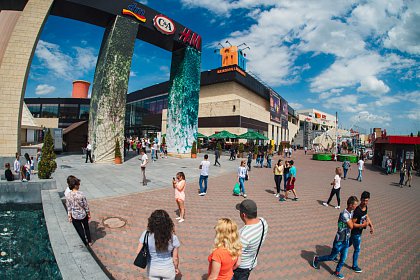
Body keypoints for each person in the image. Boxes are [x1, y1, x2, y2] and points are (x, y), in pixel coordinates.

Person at [313, 196, 367, 279]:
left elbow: (354, 220)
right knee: (331, 257)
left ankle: (337, 271)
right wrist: (362, 224)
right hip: (339, 241)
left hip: (346, 240)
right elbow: (351, 226)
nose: (356, 206)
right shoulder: (344, 214)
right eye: (355, 205)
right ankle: (317, 259)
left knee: (343, 258)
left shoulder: (351, 213)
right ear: (350, 205)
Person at [136, 210, 180, 280]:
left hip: (152, 269)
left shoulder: (146, 234)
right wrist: (176, 268)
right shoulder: (173, 237)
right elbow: (175, 258)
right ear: (168, 223)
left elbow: (138, 252)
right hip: (168, 269)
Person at [233, 200, 268, 280]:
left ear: (243, 215)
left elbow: (237, 260)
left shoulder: (242, 235)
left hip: (241, 268)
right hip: (252, 262)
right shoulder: (263, 222)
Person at [349, 191, 374, 273]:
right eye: (363, 200)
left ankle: (336, 252)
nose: (365, 202)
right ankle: (354, 266)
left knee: (347, 244)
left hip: (358, 232)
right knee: (357, 249)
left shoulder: (365, 207)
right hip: (355, 233)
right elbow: (352, 224)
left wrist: (371, 225)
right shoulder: (357, 210)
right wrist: (363, 225)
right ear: (361, 199)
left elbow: (366, 215)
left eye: (367, 200)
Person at [66, 176, 92, 246]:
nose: (79, 185)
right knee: (86, 228)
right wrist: (88, 214)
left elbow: (69, 207)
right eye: (78, 184)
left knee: (80, 231)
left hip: (75, 216)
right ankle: (89, 241)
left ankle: (84, 243)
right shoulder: (81, 194)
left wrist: (69, 216)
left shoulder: (68, 195)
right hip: (83, 215)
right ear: (75, 185)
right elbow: (86, 206)